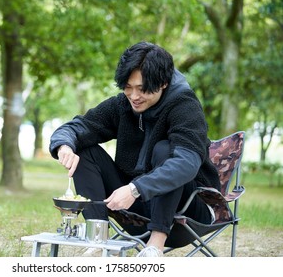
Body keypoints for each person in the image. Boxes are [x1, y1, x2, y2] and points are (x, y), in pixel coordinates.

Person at [49, 41, 220, 257]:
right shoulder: (123, 104)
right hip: (134, 210)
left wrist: (134, 189)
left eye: (142, 88)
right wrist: (65, 145)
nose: (134, 96)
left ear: (163, 83)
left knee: (165, 150)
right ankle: (98, 238)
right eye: (128, 87)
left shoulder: (185, 106)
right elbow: (79, 126)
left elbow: (186, 163)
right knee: (84, 150)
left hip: (187, 213)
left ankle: (155, 246)